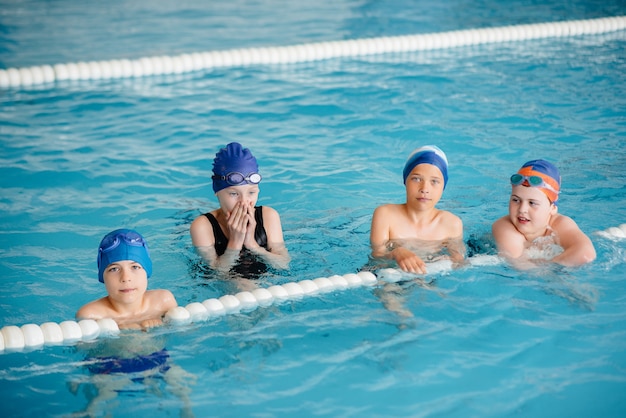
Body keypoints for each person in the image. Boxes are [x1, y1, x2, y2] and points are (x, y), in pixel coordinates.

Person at [190, 142, 289, 276]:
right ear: (217, 192)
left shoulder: (268, 216)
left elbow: (283, 264)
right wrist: (235, 243)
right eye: (234, 194)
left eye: (251, 193)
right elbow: (217, 273)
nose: (244, 202)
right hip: (228, 279)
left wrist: (252, 244)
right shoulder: (203, 226)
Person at [370, 145, 465, 274]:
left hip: (430, 276)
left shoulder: (452, 223)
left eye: (434, 181)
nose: (424, 188)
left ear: (443, 186)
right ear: (405, 181)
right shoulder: (385, 215)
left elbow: (459, 264)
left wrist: (454, 260)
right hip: (388, 275)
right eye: (416, 179)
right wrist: (396, 253)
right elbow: (377, 258)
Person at [492, 159, 596, 267]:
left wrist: (552, 266)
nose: (522, 209)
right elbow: (518, 263)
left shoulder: (560, 224)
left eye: (532, 203)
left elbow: (586, 254)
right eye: (516, 200)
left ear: (553, 208)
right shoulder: (504, 226)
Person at [76, 229, 178, 330]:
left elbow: (184, 332)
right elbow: (85, 346)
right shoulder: (91, 316)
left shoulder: (163, 301)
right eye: (114, 269)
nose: (126, 278)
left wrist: (162, 327)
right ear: (103, 276)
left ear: (147, 272)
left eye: (135, 267)